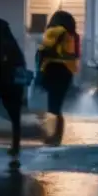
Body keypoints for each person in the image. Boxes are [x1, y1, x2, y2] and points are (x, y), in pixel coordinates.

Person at [37, 10, 80, 146]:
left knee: (52, 107)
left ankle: (50, 138)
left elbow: (44, 50)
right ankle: (57, 138)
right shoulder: (74, 35)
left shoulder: (55, 31)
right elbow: (76, 55)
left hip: (53, 69)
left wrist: (40, 72)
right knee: (58, 106)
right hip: (67, 72)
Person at [0, 18, 29, 163]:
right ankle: (16, 145)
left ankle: (16, 145)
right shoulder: (13, 44)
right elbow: (21, 63)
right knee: (15, 116)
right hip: (13, 84)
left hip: (5, 81)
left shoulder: (4, 44)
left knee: (14, 115)